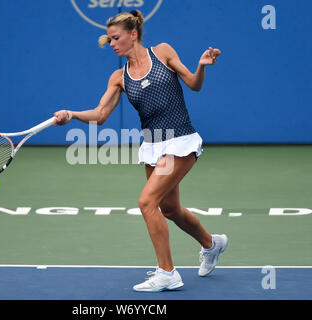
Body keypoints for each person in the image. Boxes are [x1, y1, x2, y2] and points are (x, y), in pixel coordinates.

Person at [53, 10, 228, 292]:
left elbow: (194, 85)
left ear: (133, 35)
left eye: (116, 37)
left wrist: (202, 66)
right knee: (169, 209)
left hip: (180, 139)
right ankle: (212, 244)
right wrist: (71, 114)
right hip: (153, 145)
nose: (111, 44)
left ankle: (167, 272)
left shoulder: (162, 53)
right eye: (109, 39)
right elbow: (100, 114)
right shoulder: (118, 77)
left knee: (146, 202)